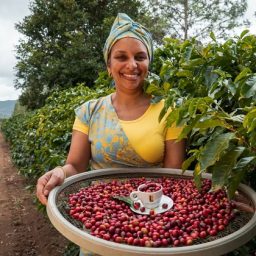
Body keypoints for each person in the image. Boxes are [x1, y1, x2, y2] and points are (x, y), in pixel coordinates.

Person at [36, 13, 185, 255]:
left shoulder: (169, 110)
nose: (132, 65)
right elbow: (74, 165)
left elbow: (173, 177)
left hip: (153, 223)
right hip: (101, 221)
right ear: (108, 66)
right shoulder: (89, 112)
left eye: (140, 57)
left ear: (149, 63)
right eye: (121, 57)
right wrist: (58, 172)